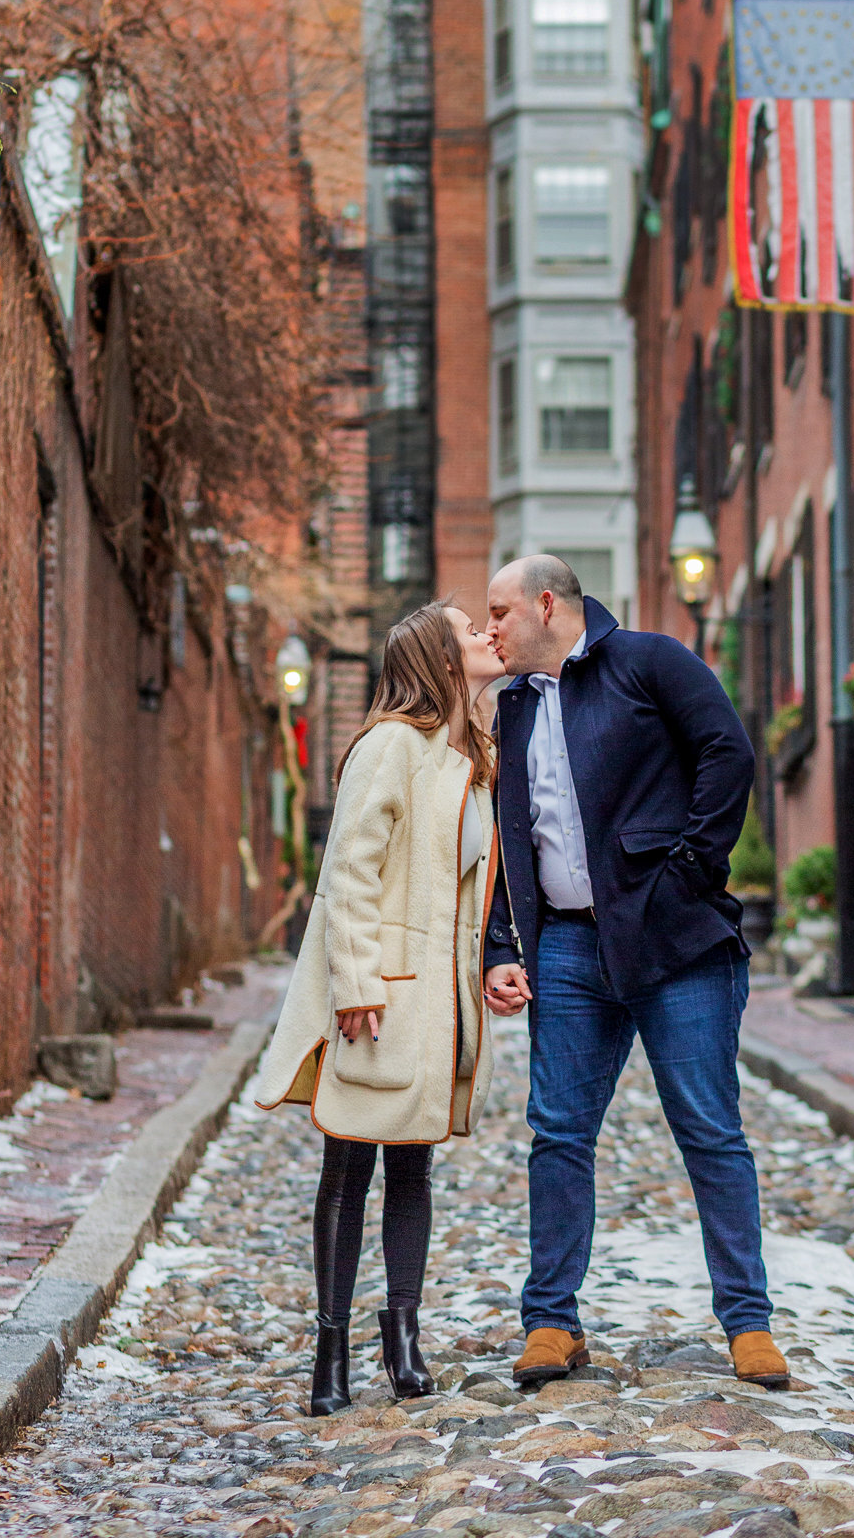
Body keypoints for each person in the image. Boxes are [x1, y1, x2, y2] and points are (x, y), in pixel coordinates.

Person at [482, 555, 787, 1392]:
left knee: (708, 1130)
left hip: (675, 942)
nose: (490, 629)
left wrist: (689, 871)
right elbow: (511, 840)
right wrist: (503, 947)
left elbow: (727, 754)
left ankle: (748, 1323)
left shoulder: (649, 661)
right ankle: (550, 1320)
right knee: (558, 1132)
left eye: (500, 611)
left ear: (548, 603)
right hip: (568, 950)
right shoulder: (509, 709)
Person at [257, 604, 503, 1415]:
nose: (485, 638)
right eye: (470, 631)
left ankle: (402, 1341)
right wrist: (356, 981)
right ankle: (329, 1356)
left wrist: (490, 969)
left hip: (440, 996)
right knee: (348, 1162)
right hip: (381, 994)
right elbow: (350, 874)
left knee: (412, 1163)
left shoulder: (466, 755)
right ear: (438, 656)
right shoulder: (389, 745)